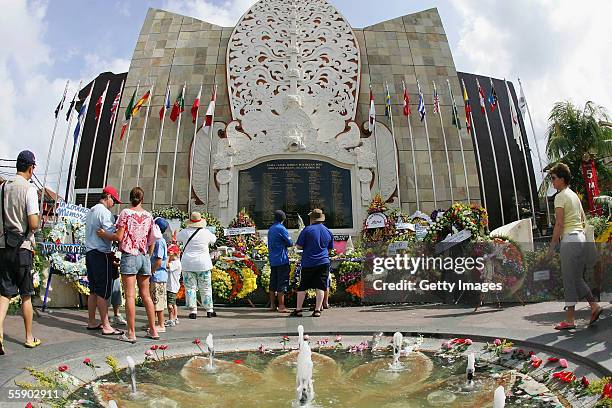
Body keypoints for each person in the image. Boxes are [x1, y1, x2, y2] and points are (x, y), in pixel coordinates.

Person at [547, 163, 603, 330]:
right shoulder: (574, 195)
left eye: (554, 178)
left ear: (562, 179)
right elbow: (583, 219)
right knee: (577, 278)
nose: (552, 182)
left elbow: (559, 224)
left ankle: (570, 320)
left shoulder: (560, 196)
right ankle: (594, 306)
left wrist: (551, 247)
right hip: (579, 238)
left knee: (569, 280)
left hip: (570, 239)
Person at [98, 187, 158, 342]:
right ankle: (153, 330)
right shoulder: (148, 215)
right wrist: (147, 255)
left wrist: (104, 235)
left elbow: (119, 236)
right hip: (143, 256)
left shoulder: (125, 213)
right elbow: (152, 239)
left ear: (130, 199)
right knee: (146, 295)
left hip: (129, 256)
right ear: (142, 199)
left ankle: (131, 333)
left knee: (130, 295)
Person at [0, 151, 41, 354]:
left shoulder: (3, 188)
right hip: (23, 247)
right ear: (31, 168)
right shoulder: (29, 189)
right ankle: (28, 337)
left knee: (5, 293)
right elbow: (32, 223)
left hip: (3, 246)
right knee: (26, 294)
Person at [84, 185, 123, 336]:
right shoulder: (104, 212)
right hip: (101, 254)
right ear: (108, 197)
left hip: (90, 253)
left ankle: (92, 321)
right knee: (102, 292)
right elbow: (112, 234)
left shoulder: (91, 210)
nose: (114, 205)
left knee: (93, 290)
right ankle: (106, 325)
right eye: (114, 201)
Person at [291, 209, 333, 318]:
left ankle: (299, 310)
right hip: (323, 262)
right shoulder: (328, 231)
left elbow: (299, 246)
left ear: (312, 219)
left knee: (303, 286)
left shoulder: (307, 230)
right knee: (320, 286)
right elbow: (329, 250)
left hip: (308, 262)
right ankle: (317, 310)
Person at [177, 212, 217, 319]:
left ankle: (193, 311)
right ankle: (209, 310)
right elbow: (214, 240)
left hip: (188, 263)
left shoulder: (184, 232)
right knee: (206, 287)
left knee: (190, 288)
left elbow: (176, 238)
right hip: (203, 263)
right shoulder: (206, 232)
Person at [268, 210, 293, 313]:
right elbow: (290, 243)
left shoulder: (271, 228)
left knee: (273, 282)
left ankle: (273, 305)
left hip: (273, 260)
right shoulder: (281, 228)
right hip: (281, 260)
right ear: (283, 219)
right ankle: (281, 306)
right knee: (282, 283)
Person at [149, 218, 169, 333]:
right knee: (154, 300)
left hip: (158, 275)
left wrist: (151, 271)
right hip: (157, 275)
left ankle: (161, 324)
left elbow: (158, 260)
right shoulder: (157, 240)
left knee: (158, 301)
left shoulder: (159, 241)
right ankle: (154, 322)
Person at [165, 244, 181, 326]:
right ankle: (175, 317)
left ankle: (171, 319)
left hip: (172, 287)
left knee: (170, 304)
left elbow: (167, 265)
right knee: (173, 303)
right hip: (172, 286)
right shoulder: (175, 262)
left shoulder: (176, 263)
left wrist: (167, 257)